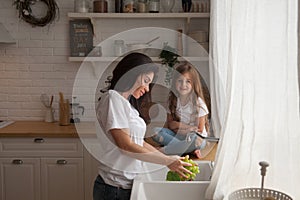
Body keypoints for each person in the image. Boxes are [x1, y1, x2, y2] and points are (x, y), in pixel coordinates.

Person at [94, 53, 193, 200]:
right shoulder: (113, 98)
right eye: (145, 81)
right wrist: (167, 161)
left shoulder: (127, 105)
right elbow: (125, 145)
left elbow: (139, 142)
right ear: (132, 74)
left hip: (125, 186)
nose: (147, 89)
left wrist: (169, 159)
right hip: (113, 188)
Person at [151, 63, 210, 158]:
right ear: (174, 82)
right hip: (178, 135)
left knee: (196, 140)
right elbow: (170, 125)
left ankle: (164, 150)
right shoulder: (172, 100)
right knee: (155, 131)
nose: (183, 85)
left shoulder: (198, 103)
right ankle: (187, 149)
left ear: (194, 84)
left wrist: (178, 126)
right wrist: (188, 128)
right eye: (180, 81)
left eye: (188, 81)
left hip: (195, 138)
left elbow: (198, 130)